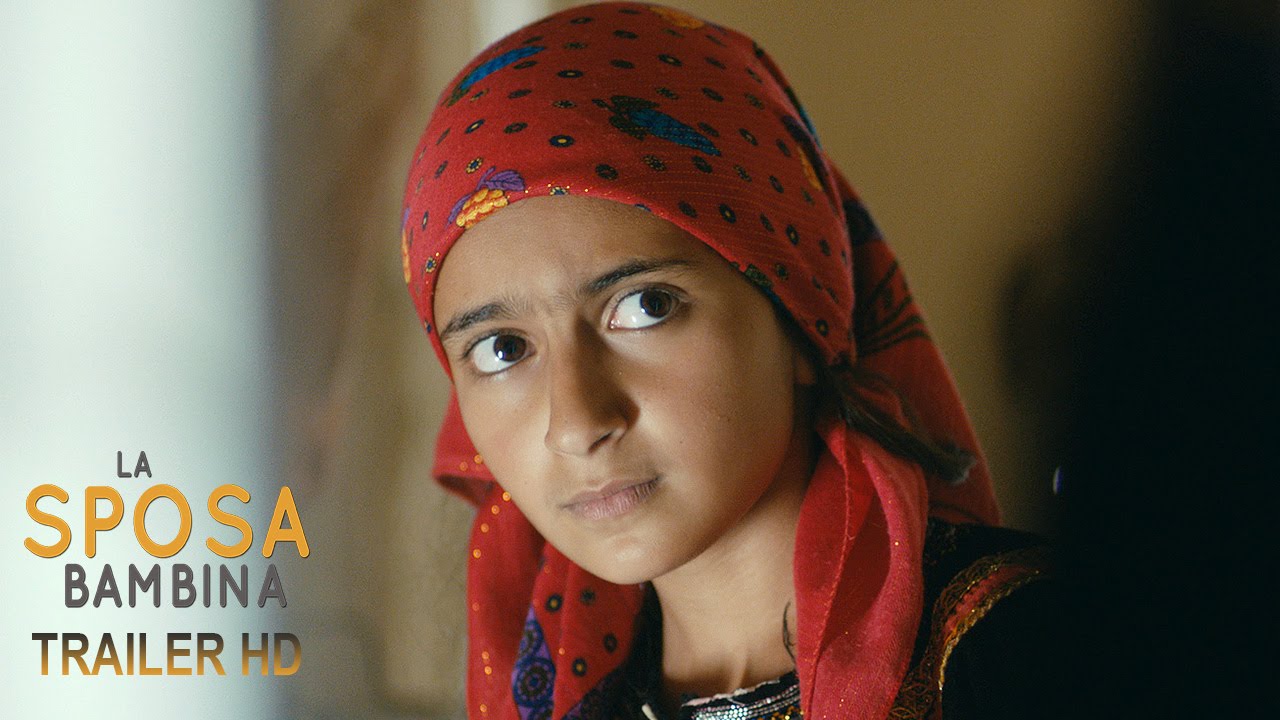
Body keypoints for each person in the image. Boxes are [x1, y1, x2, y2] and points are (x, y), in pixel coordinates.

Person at [399, 4, 1052, 719]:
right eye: (502, 349)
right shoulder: (573, 700)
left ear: (799, 316)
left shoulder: (1044, 655)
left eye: (645, 305)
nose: (577, 423)